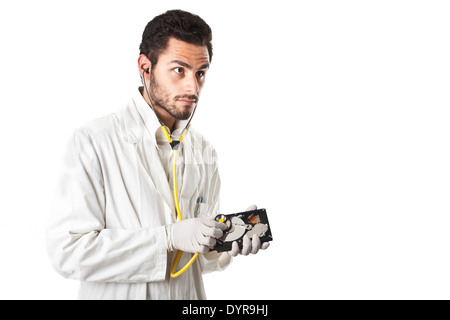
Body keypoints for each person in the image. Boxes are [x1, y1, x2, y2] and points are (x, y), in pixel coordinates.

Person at [46, 9, 269, 300]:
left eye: (200, 73)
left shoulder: (204, 151)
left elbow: (190, 261)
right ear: (145, 67)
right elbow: (68, 253)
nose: (193, 87)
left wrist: (222, 246)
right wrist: (167, 237)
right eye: (179, 70)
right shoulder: (93, 141)